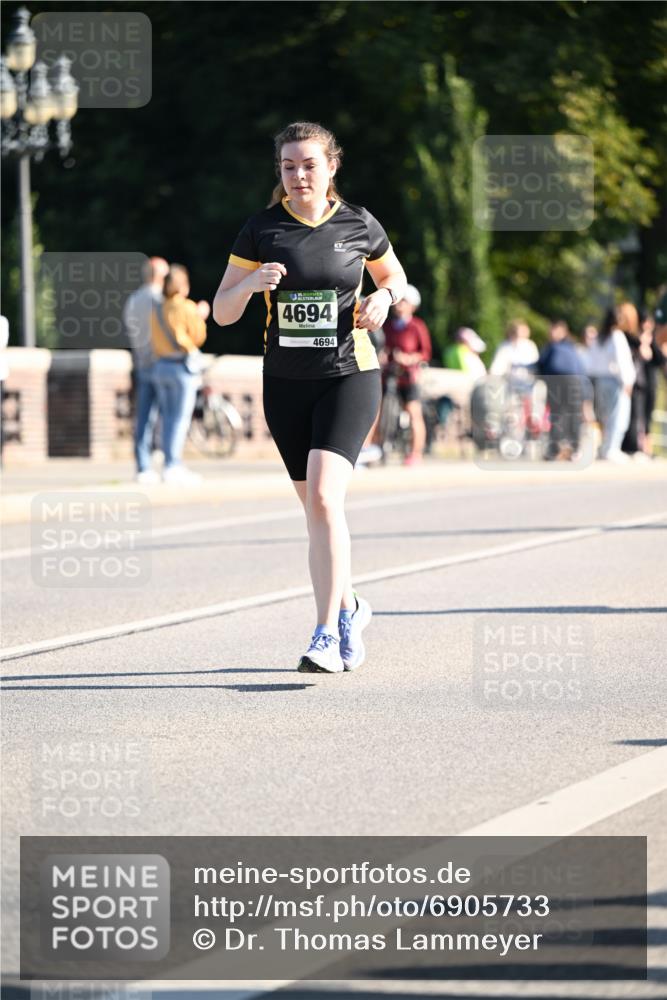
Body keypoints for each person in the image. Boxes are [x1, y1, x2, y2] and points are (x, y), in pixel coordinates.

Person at [213, 121, 407, 673]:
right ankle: (349, 608)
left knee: (324, 498)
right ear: (280, 172)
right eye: (288, 166)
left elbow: (397, 278)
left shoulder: (358, 223)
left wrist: (385, 299)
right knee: (316, 511)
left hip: (350, 373)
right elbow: (221, 311)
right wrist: (249, 286)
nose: (299, 175)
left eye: (309, 165)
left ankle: (324, 633)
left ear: (331, 167)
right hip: (286, 383)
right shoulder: (262, 229)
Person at [151, 264, 209, 484]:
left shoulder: (157, 308)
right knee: (180, 419)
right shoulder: (186, 307)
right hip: (181, 369)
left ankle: (168, 462)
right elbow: (196, 337)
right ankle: (173, 465)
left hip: (160, 366)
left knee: (165, 418)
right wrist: (201, 317)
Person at [123, 256, 169, 484]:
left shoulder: (133, 299)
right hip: (161, 363)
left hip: (141, 364)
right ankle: (167, 461)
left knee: (143, 417)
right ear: (159, 276)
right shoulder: (159, 300)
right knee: (169, 416)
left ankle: (143, 466)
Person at [381, 284, 432, 466]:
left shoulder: (417, 326)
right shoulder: (388, 325)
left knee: (413, 412)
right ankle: (375, 448)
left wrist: (410, 359)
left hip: (409, 376)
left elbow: (425, 352)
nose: (399, 305)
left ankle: (416, 452)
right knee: (379, 410)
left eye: (404, 301)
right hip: (390, 375)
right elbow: (384, 347)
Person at [583, 303, 636, 462]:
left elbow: (591, 362)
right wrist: (627, 381)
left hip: (598, 380)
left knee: (604, 416)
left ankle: (605, 448)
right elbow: (622, 362)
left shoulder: (600, 337)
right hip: (614, 381)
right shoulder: (616, 336)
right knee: (617, 416)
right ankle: (611, 449)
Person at [538, 320, 588, 460]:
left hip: (572, 382)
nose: (553, 333)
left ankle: (574, 449)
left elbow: (580, 370)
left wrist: (585, 394)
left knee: (573, 417)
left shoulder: (570, 348)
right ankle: (554, 449)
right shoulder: (550, 348)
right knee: (557, 416)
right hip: (555, 384)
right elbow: (541, 365)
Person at [622, 311, 666, 458]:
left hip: (651, 382)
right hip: (637, 382)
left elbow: (660, 359)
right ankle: (634, 446)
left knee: (648, 416)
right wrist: (642, 343)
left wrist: (650, 343)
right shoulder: (633, 339)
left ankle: (646, 447)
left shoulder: (651, 340)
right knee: (636, 415)